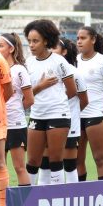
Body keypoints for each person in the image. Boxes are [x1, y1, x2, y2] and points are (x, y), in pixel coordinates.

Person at [23, 20, 77, 185]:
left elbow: (72, 90)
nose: (31, 45)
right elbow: (27, 94)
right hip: (37, 115)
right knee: (32, 161)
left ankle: (56, 200)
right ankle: (28, 200)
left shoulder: (59, 61)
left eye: (35, 41)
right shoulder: (28, 63)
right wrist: (40, 86)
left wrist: (55, 101)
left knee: (55, 160)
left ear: (46, 40)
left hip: (58, 115)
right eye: (29, 41)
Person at [75, 27, 103, 181]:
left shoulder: (102, 61)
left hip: (97, 114)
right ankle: (79, 195)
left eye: (83, 38)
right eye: (78, 38)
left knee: (100, 158)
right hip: (77, 115)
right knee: (77, 160)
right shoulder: (74, 60)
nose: (79, 41)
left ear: (93, 39)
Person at [0, 32, 34, 190]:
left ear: (11, 49)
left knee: (19, 167)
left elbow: (29, 99)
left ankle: (26, 205)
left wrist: (15, 110)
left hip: (15, 125)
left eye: (1, 46)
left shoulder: (19, 70)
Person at [54, 38, 88, 184]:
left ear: (64, 52)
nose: (50, 51)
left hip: (70, 124)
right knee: (53, 164)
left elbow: (84, 100)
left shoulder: (75, 73)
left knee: (69, 165)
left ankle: (72, 197)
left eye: (54, 48)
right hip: (50, 122)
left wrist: (71, 114)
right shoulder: (49, 71)